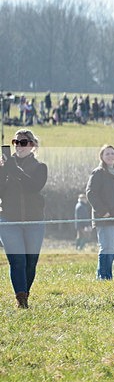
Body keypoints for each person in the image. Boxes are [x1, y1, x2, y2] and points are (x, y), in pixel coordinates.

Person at [0, 129, 47, 309]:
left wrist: (15, 170)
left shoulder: (40, 167)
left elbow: (33, 186)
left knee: (30, 262)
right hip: (9, 220)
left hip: (34, 221)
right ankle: (21, 299)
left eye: (23, 142)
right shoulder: (6, 167)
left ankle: (25, 293)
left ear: (33, 145)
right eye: (16, 142)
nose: (19, 145)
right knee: (17, 261)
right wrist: (2, 171)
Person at [86, 145, 114, 280]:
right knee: (107, 248)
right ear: (102, 157)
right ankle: (104, 277)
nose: (111, 156)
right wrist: (103, 211)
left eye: (112, 153)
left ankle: (103, 275)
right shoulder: (99, 172)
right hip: (106, 217)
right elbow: (90, 193)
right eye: (107, 154)